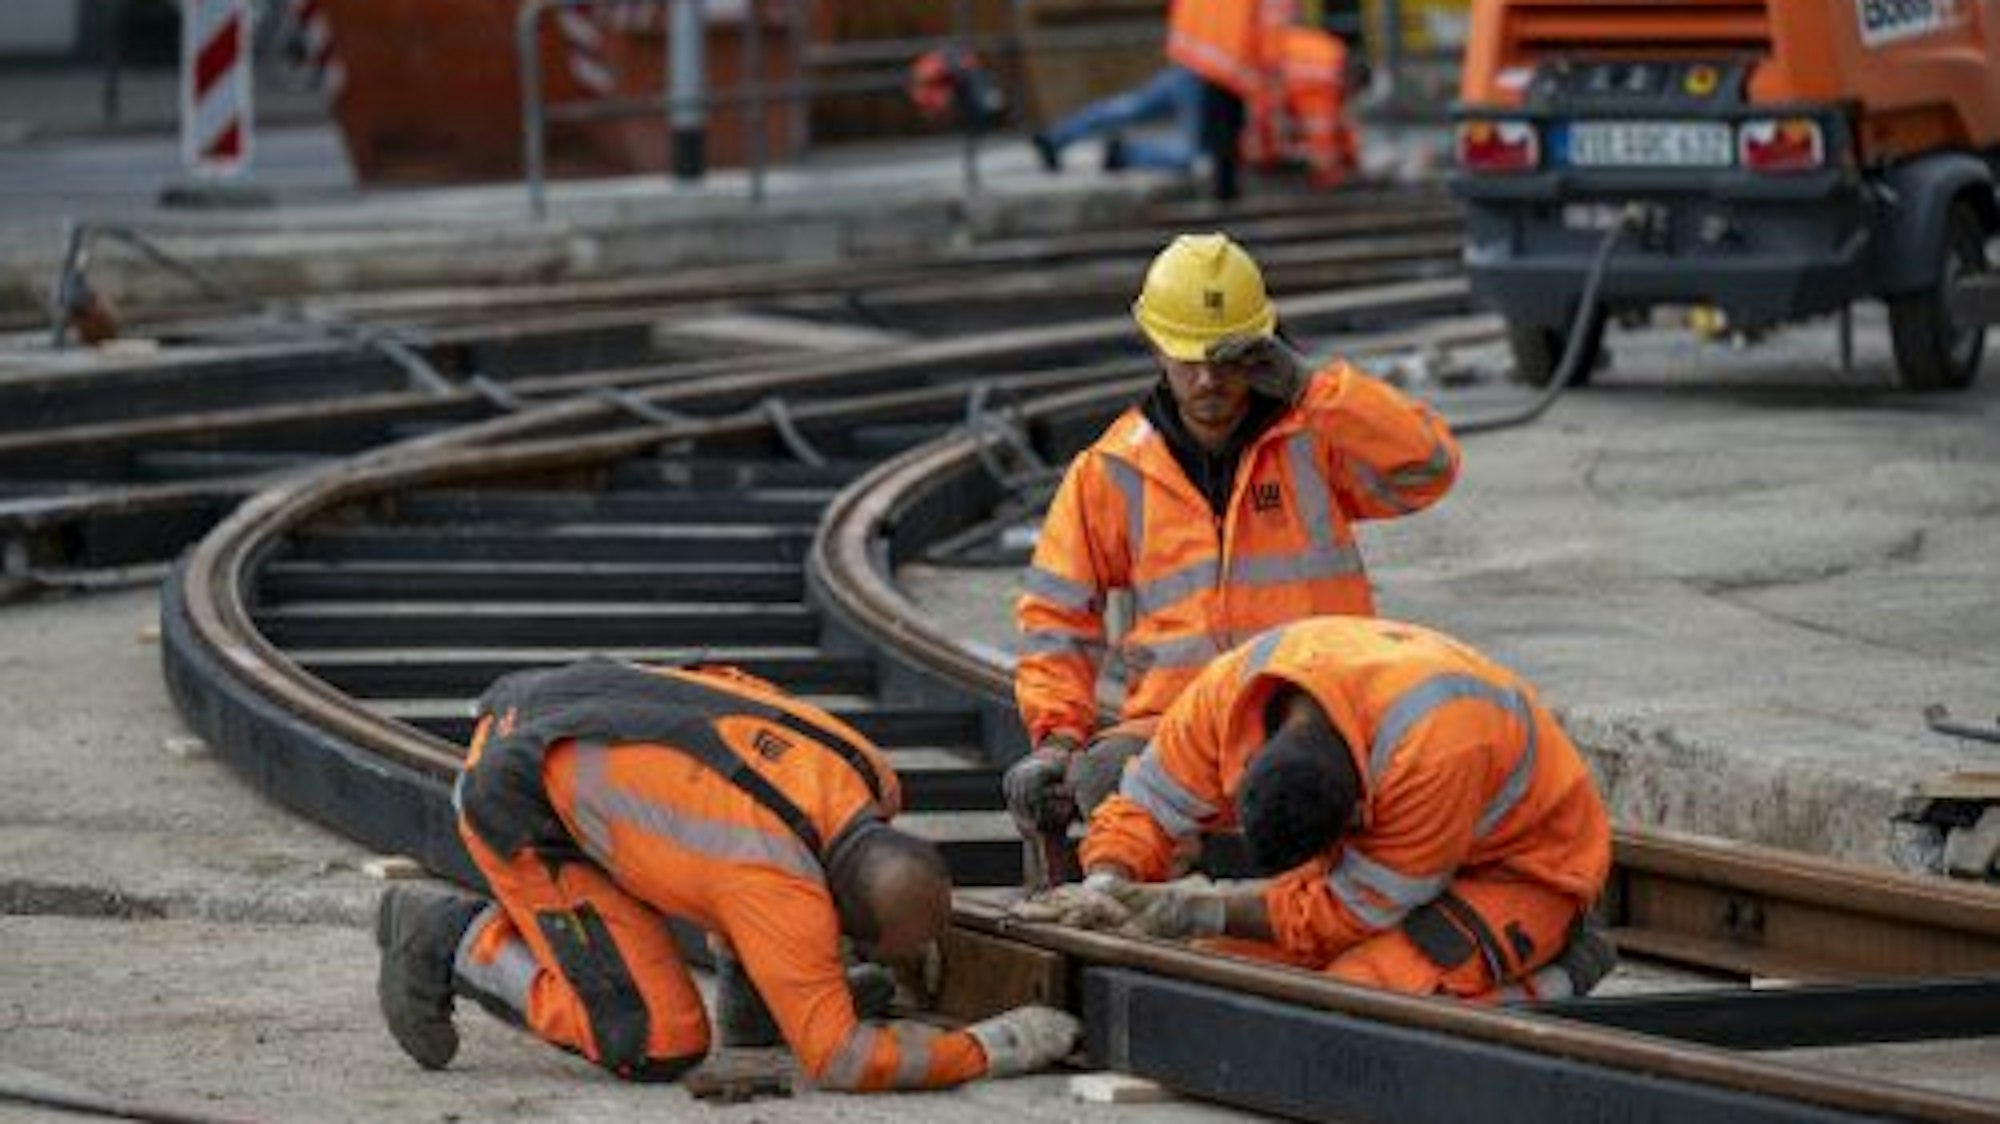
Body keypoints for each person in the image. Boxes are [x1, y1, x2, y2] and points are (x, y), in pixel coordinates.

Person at [375, 657, 1078, 1090]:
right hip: (520, 797)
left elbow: (727, 685)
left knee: (720, 863)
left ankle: (752, 1004)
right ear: (833, 916)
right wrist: (990, 1048)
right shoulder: (778, 888)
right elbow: (841, 1061)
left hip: (569, 700)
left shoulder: (867, 772)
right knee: (653, 1041)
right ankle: (450, 936)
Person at [1005, 232, 1461, 880]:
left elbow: (1430, 467)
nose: (1209, 379)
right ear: (1155, 345)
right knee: (1105, 775)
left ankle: (1292, 913)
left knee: (1324, 787)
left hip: (1310, 710)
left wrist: (1313, 387)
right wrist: (1056, 739)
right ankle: (1172, 921)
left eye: (1227, 358)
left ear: (1261, 347)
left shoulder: (1316, 439)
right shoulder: (1110, 471)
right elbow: (1057, 616)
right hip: (1177, 723)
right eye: (1189, 358)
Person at [1018, 616, 1617, 1003]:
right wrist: (1104, 884)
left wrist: (1199, 908)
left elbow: (1350, 913)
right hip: (1401, 852)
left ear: (1359, 806)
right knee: (1229, 969)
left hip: (1521, 868)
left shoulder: (1434, 751)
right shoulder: (1228, 697)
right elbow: (1144, 806)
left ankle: (1565, 966)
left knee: (1366, 999)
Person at [1031, 0, 1264, 200]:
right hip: (1211, 70)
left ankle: (1058, 137)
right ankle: (1125, 153)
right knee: (1193, 156)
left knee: (1132, 107)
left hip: (1192, 58)